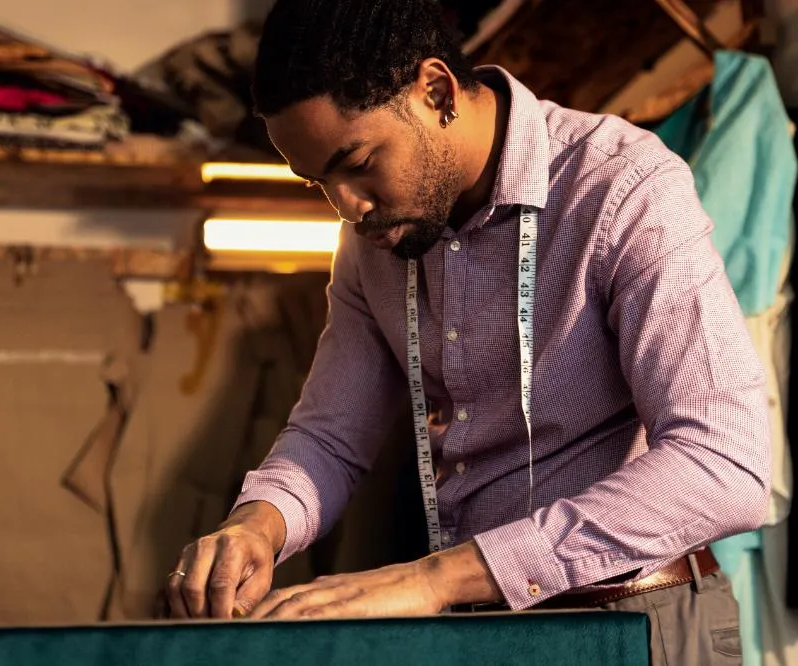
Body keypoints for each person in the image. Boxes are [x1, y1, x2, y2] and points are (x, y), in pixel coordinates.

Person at [164, 0, 770, 662]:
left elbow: (724, 466)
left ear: (436, 92)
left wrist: (432, 579)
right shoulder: (374, 240)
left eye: (357, 162)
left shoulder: (623, 187)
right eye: (320, 183)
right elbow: (331, 438)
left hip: (637, 620)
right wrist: (258, 523)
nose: (348, 207)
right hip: (477, 626)